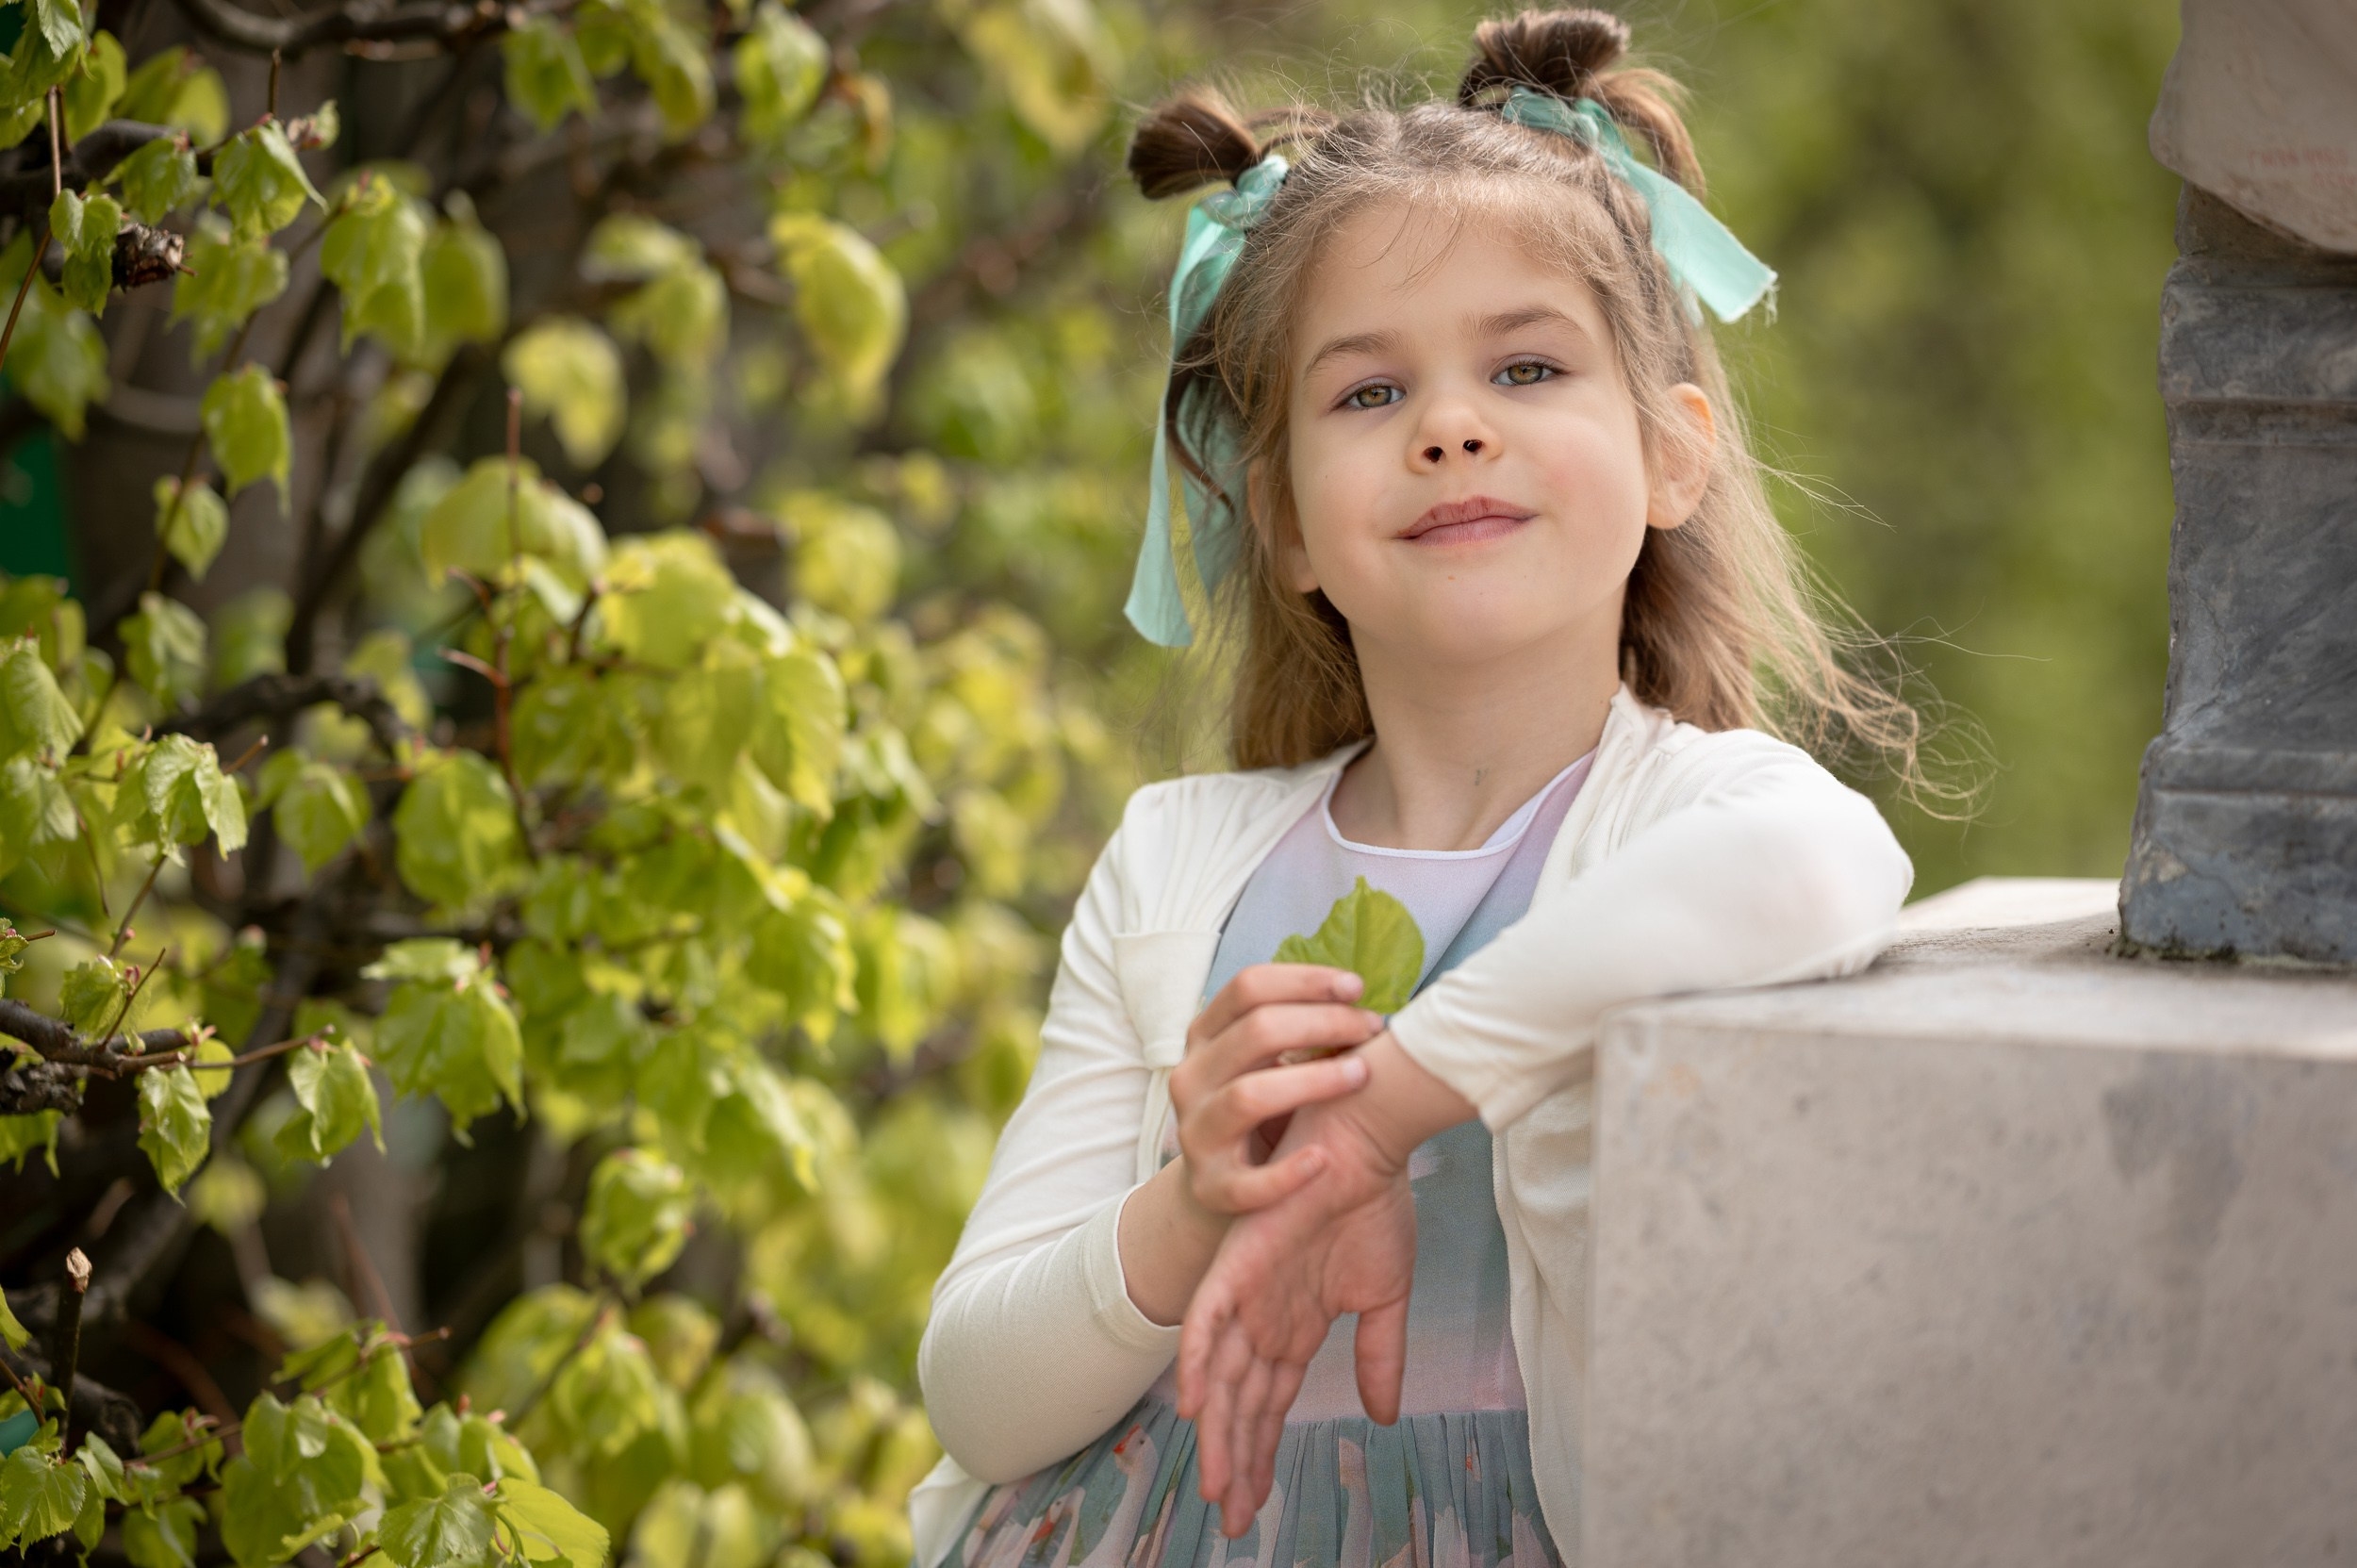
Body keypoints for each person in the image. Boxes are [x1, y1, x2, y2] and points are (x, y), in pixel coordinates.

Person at [911, 9, 1922, 1565]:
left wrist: (1379, 1116)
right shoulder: (1178, 860)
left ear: (1672, 455)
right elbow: (978, 1398)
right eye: (1367, 396)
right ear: (1288, 525)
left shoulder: (1686, 821)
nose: (1453, 425)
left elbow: (1819, 865)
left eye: (1526, 366)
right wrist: (1194, 1206)